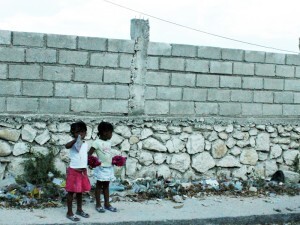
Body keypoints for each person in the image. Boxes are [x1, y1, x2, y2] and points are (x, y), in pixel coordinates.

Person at [88, 121, 117, 213]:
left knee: (106, 186)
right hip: (101, 168)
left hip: (109, 167)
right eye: (110, 132)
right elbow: (89, 154)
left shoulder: (109, 142)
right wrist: (92, 163)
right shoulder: (96, 142)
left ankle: (107, 204)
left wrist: (114, 160)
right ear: (105, 132)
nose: (111, 135)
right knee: (99, 186)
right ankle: (98, 204)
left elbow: (108, 154)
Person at [65, 121, 91, 222]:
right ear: (73, 133)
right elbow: (66, 146)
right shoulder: (72, 143)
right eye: (77, 132)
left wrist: (89, 164)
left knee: (80, 192)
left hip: (82, 172)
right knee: (71, 192)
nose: (80, 134)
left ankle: (79, 210)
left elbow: (84, 156)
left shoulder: (85, 144)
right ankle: (69, 212)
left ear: (85, 132)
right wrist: (75, 140)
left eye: (82, 132)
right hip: (73, 171)